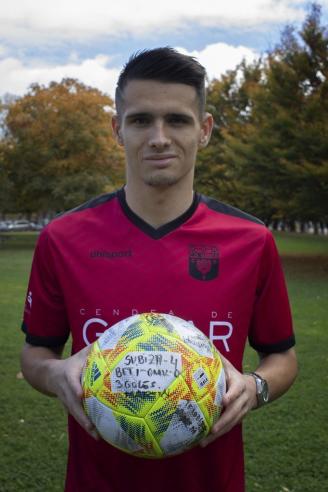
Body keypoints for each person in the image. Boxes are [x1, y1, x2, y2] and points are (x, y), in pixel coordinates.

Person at [20, 47, 298, 492]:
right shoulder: (63, 238)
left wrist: (255, 387)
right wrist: (55, 375)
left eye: (178, 120)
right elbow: (35, 353)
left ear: (204, 130)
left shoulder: (251, 240)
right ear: (117, 129)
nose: (159, 137)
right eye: (141, 120)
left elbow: (282, 356)